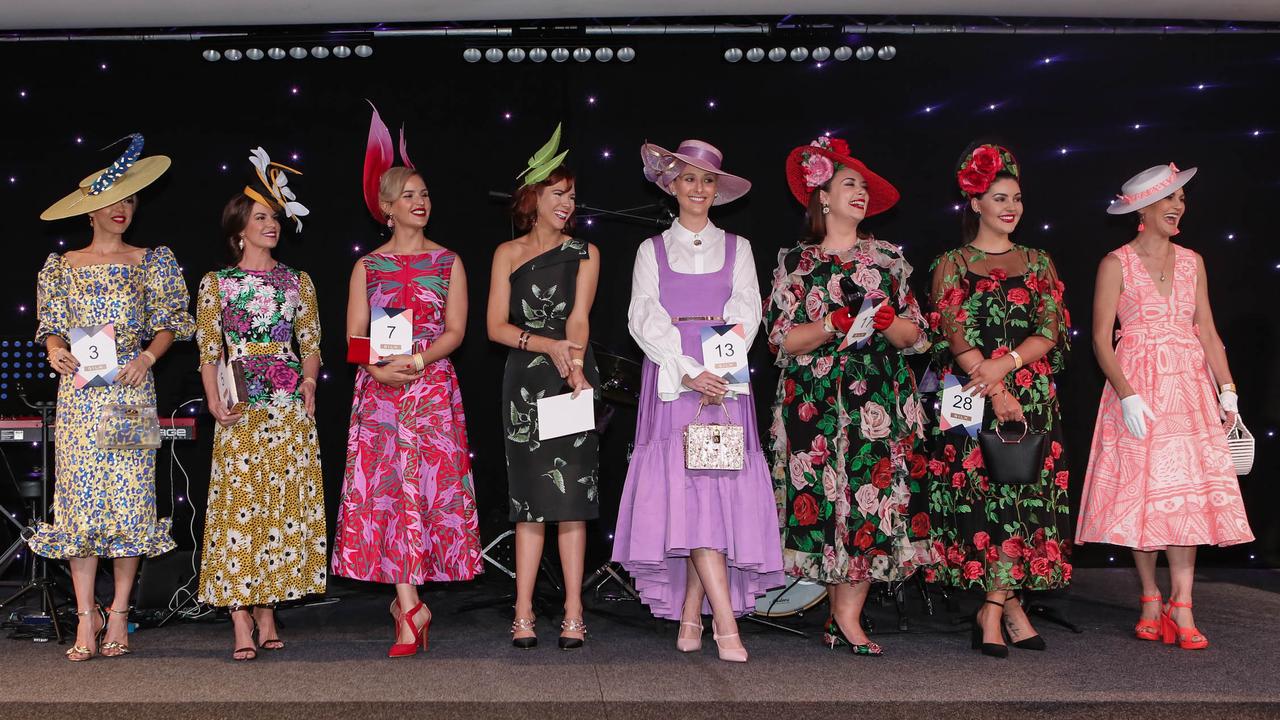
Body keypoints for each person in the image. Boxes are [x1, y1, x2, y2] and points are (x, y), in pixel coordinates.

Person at [613, 139, 783, 663]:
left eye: (708, 180)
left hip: (723, 380)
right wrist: (688, 371)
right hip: (673, 379)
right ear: (672, 185)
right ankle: (724, 624)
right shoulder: (651, 249)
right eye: (689, 178)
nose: (699, 188)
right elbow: (643, 315)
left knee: (710, 494)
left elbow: (747, 311)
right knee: (688, 495)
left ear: (717, 189)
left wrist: (718, 369)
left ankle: (693, 613)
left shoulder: (739, 246)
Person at [767, 136, 933, 656]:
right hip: (813, 400)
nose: (860, 193)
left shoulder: (887, 258)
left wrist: (889, 323)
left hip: (877, 398)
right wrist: (831, 323)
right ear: (823, 196)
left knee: (870, 499)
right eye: (849, 184)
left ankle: (847, 617)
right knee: (825, 499)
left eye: (863, 185)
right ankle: (836, 613)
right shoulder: (796, 263)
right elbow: (780, 339)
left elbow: (918, 337)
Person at [31, 134, 194, 661]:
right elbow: (51, 328)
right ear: (90, 209)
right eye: (111, 200)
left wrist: (148, 357)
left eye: (129, 199)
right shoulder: (61, 264)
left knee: (130, 501)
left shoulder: (152, 261)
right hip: (80, 397)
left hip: (129, 390)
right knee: (79, 504)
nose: (121, 209)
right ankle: (85, 615)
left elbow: (174, 323)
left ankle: (119, 610)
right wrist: (56, 351)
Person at [1076, 162, 1252, 650]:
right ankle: (1151, 598)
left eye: (1181, 198)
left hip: (1189, 388)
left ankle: (1184, 605)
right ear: (1143, 209)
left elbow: (1209, 331)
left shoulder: (1193, 260)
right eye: (1170, 198)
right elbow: (1099, 338)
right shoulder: (1115, 263)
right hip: (1136, 389)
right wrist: (1127, 394)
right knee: (1142, 492)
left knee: (1188, 494)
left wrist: (1228, 389)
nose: (1179, 206)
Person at [331, 108, 482, 657]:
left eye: (425, 194)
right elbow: (352, 334)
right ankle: (410, 603)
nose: (421, 202)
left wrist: (416, 363)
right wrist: (373, 367)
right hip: (380, 396)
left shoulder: (448, 262)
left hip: (431, 390)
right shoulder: (367, 266)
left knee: (426, 493)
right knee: (391, 496)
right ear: (387, 207)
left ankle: (409, 606)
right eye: (410, 195)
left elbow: (457, 330)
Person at [927, 143, 1072, 658]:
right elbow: (951, 333)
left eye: (1016, 198)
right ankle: (1005, 608)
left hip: (1029, 394)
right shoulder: (951, 263)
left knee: (1023, 504)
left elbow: (1051, 331)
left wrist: (1006, 368)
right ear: (975, 204)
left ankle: (996, 608)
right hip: (969, 396)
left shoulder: (1039, 261)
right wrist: (995, 387)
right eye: (999, 197)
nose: (1010, 207)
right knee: (983, 505)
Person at [195, 148, 326, 661]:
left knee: (280, 507)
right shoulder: (217, 284)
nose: (271, 225)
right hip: (241, 402)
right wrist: (213, 402)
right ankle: (239, 616)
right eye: (261, 217)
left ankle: (268, 605)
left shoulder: (298, 281)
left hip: (289, 402)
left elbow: (312, 345)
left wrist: (311, 383)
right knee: (239, 507)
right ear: (239, 230)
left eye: (275, 216)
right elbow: (209, 351)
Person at [487, 124, 601, 650]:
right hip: (526, 384)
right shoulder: (507, 253)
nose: (568, 202)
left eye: (572, 194)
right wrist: (545, 346)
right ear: (532, 197)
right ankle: (524, 611)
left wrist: (572, 360)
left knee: (573, 500)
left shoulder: (585, 251)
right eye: (559, 193)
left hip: (573, 380)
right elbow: (495, 327)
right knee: (529, 502)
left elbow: (578, 319)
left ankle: (575, 612)